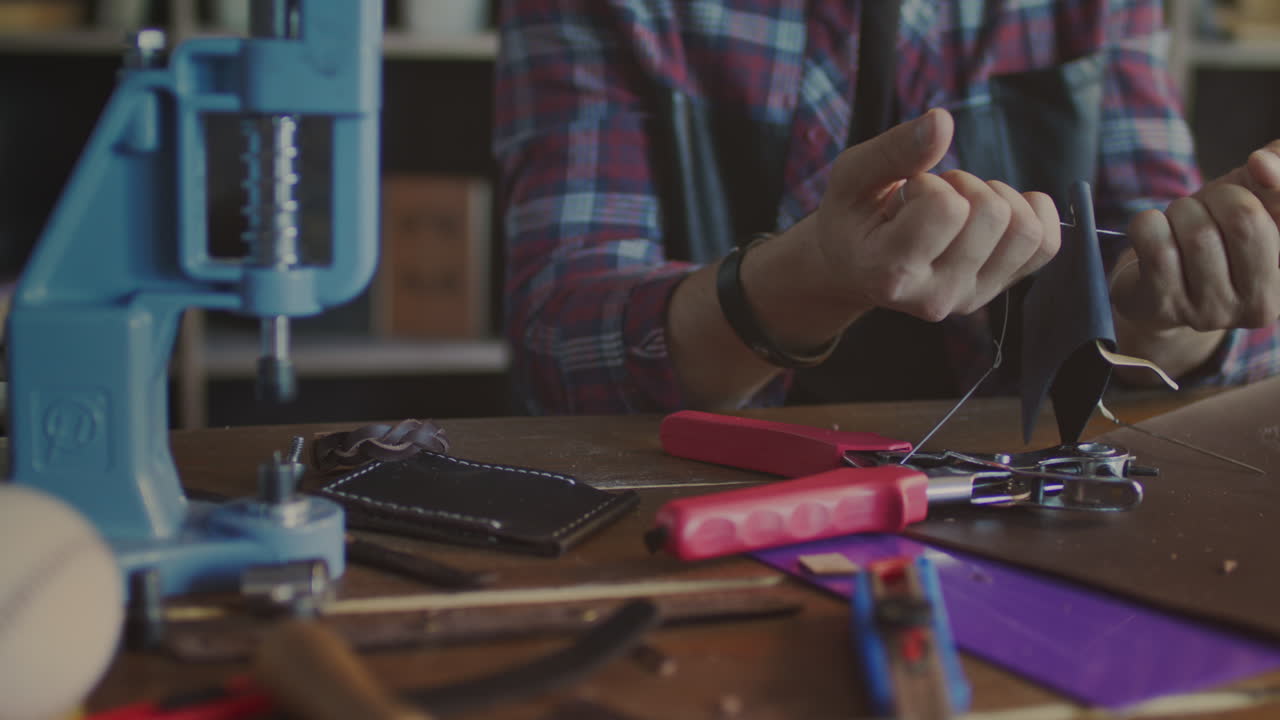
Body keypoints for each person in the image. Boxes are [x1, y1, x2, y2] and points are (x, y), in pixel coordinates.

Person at [492, 0, 1280, 415]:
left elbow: (1173, 300)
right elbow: (559, 342)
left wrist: (1166, 323)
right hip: (687, 506)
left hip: (1030, 512)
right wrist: (811, 278)